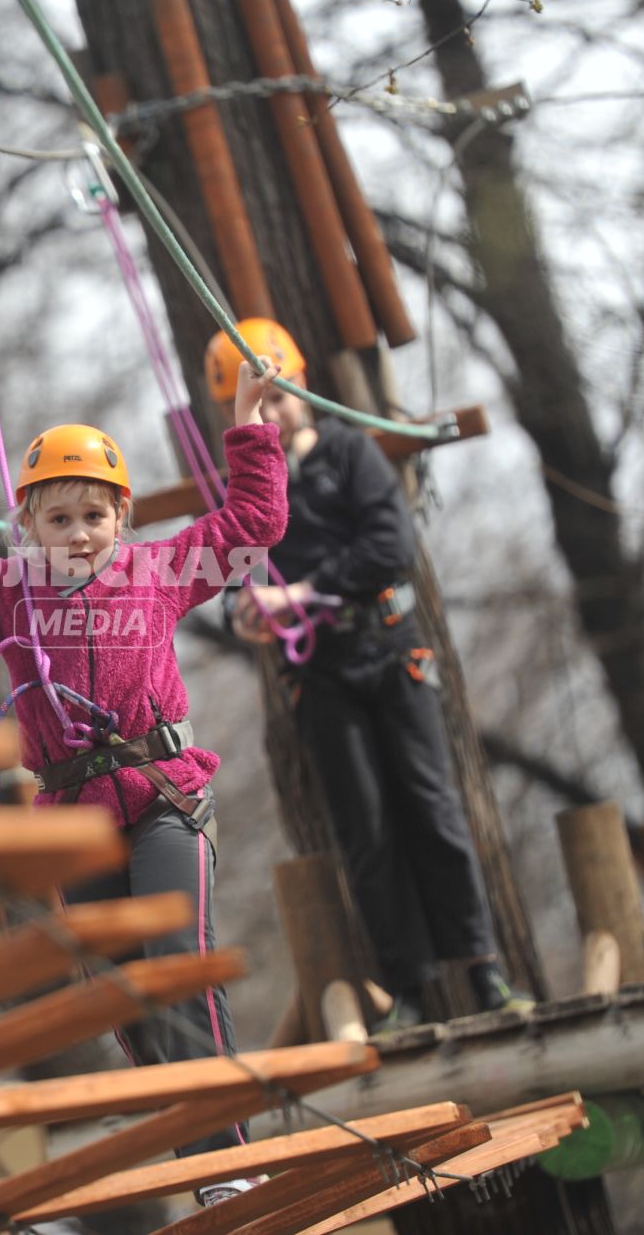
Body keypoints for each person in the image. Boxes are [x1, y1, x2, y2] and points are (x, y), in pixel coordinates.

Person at [0, 357, 285, 1199]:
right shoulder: (9, 594)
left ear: (122, 518)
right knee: (124, 996)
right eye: (61, 518)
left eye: (95, 514)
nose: (80, 532)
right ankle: (198, 1157)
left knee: (174, 963)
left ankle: (228, 1159)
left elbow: (253, 522)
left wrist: (251, 423)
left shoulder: (158, 574)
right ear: (29, 523)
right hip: (75, 818)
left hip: (165, 796)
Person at [213, 318, 530, 1031]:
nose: (271, 411)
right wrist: (246, 611)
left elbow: (390, 545)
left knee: (432, 805)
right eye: (254, 404)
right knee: (366, 828)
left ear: (301, 388)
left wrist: (303, 590)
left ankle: (482, 966)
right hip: (322, 672)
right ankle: (409, 984)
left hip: (389, 649)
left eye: (278, 396)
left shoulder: (350, 452)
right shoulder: (251, 490)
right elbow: (233, 567)